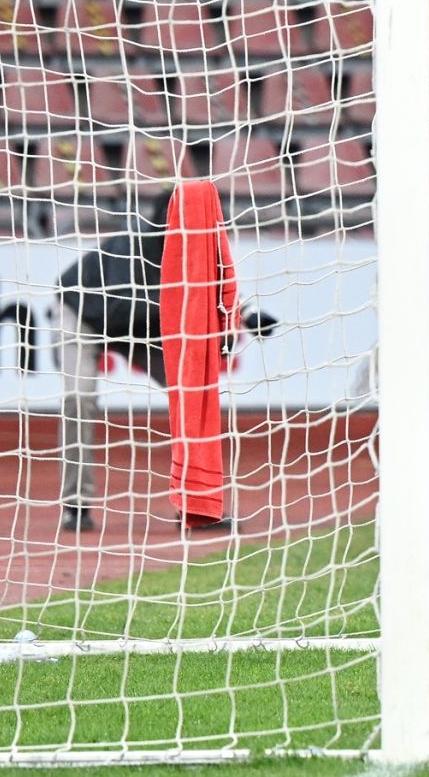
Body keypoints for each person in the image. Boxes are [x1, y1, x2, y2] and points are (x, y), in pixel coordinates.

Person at [55, 190, 277, 532]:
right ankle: (76, 506)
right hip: (83, 312)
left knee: (192, 392)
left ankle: (196, 505)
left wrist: (245, 316)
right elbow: (119, 307)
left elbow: (215, 287)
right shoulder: (133, 243)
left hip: (142, 323)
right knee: (79, 398)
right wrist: (187, 308)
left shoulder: (200, 247)